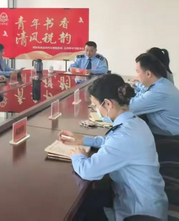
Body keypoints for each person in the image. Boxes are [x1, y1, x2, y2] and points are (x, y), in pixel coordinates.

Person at [59, 74, 168, 221]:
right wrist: (83, 140)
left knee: (79, 211)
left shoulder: (123, 136)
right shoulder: (135, 122)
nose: (95, 110)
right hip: (145, 202)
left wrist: (77, 156)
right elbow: (112, 142)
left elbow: (88, 171)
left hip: (138, 213)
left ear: (108, 104)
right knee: (89, 201)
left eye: (95, 106)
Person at [130, 53, 179, 138]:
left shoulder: (158, 92)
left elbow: (130, 108)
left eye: (137, 72)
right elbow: (144, 94)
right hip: (176, 134)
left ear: (148, 74)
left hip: (178, 140)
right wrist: (138, 86)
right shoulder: (163, 83)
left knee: (132, 133)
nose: (136, 75)